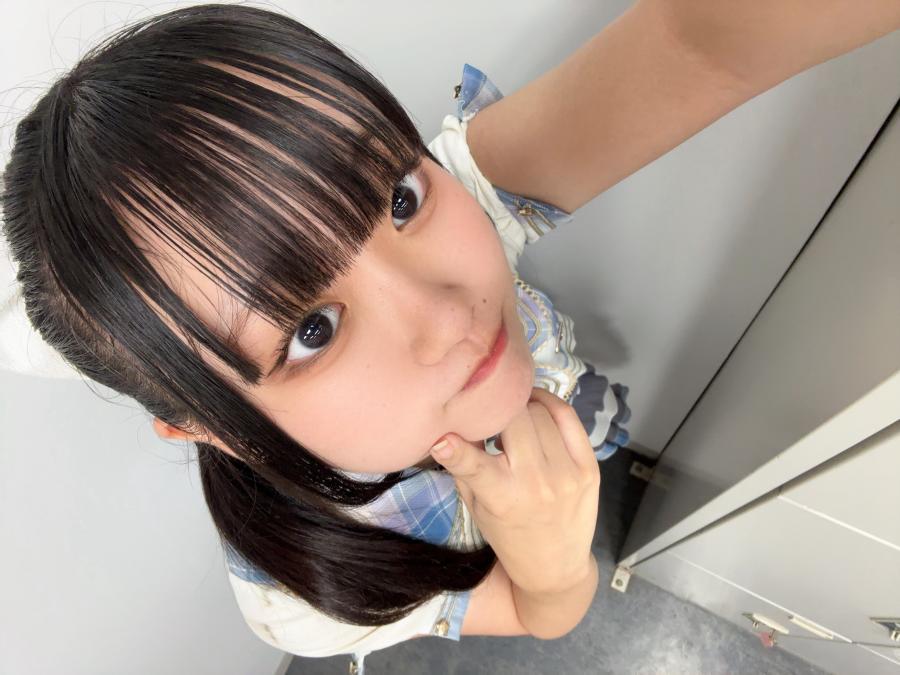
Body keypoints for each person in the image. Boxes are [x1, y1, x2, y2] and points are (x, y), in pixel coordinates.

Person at [1, 3, 896, 673]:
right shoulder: (302, 594)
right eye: (311, 330)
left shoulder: (469, 189)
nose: (449, 313)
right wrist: (553, 558)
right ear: (208, 426)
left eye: (396, 198)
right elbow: (544, 613)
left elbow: (700, 43)